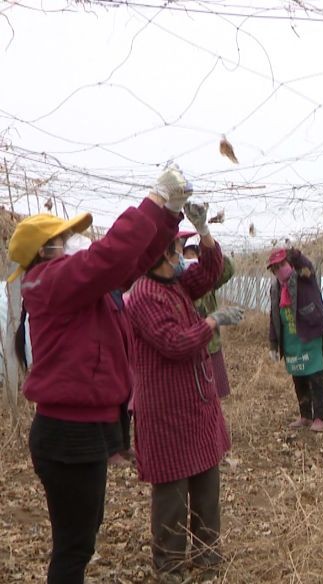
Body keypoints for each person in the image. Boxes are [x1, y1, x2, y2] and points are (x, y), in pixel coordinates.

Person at [7, 164, 191, 583]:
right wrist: (154, 200)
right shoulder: (51, 281)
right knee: (74, 547)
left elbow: (130, 263)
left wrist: (167, 216)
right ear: (46, 250)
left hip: (82, 431)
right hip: (68, 435)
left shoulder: (68, 285)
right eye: (65, 238)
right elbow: (109, 257)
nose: (74, 243)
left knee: (82, 536)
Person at [125, 203, 245, 579]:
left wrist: (204, 229)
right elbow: (174, 342)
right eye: (178, 247)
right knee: (172, 495)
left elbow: (210, 271)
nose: (182, 254)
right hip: (166, 413)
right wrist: (212, 321)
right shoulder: (144, 295)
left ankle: (208, 559)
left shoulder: (176, 284)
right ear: (164, 254)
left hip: (196, 406)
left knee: (207, 486)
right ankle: (171, 568)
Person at [267, 247, 323, 432]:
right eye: (275, 267)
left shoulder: (303, 277)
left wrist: (294, 254)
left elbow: (308, 266)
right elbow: (274, 316)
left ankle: (319, 418)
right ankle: (305, 416)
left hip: (309, 333)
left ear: (290, 264)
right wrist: (273, 343)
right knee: (298, 376)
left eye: (282, 264)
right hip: (291, 338)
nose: (279, 270)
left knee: (316, 376)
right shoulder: (276, 288)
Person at [182, 236, 236, 398]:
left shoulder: (207, 279)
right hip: (190, 346)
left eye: (194, 255)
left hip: (211, 344)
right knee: (194, 392)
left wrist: (211, 250)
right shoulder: (178, 282)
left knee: (215, 392)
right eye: (186, 256)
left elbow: (228, 269)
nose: (190, 259)